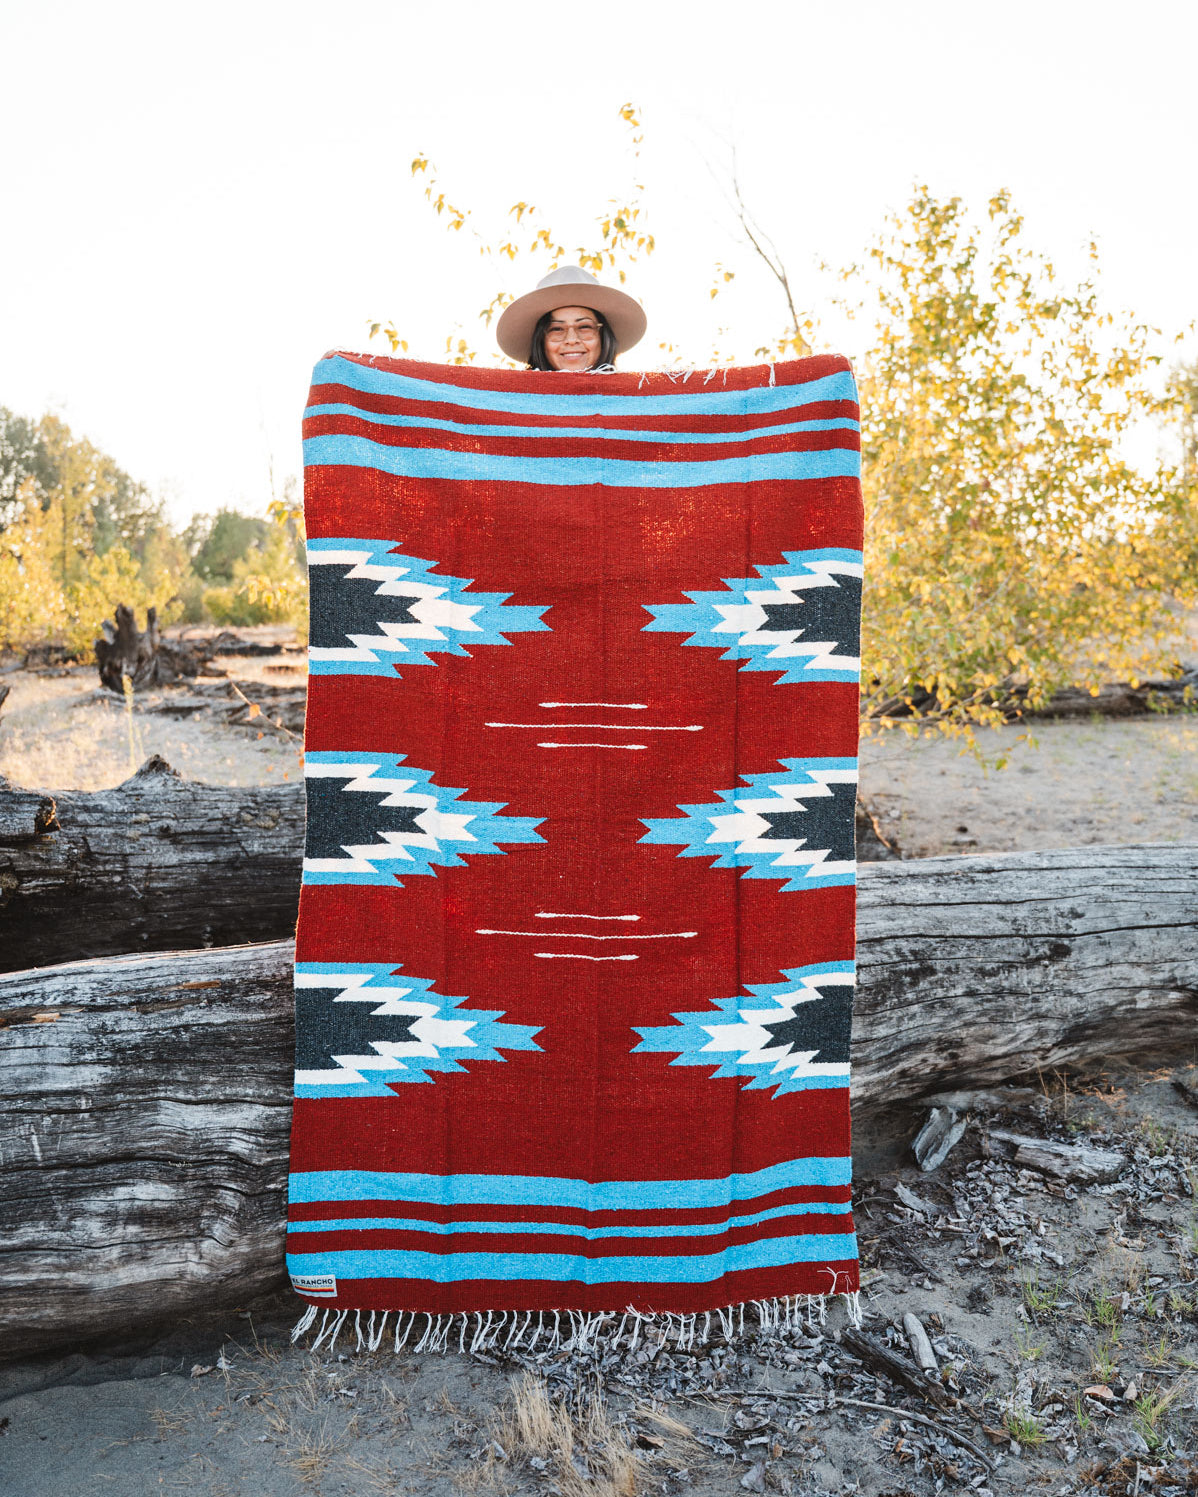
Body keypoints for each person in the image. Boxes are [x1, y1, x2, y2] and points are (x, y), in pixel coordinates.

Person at [495, 265, 646, 372]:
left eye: (584, 327)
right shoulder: (509, 405)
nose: (572, 340)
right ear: (541, 341)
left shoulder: (639, 403)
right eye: (557, 329)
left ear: (603, 336)